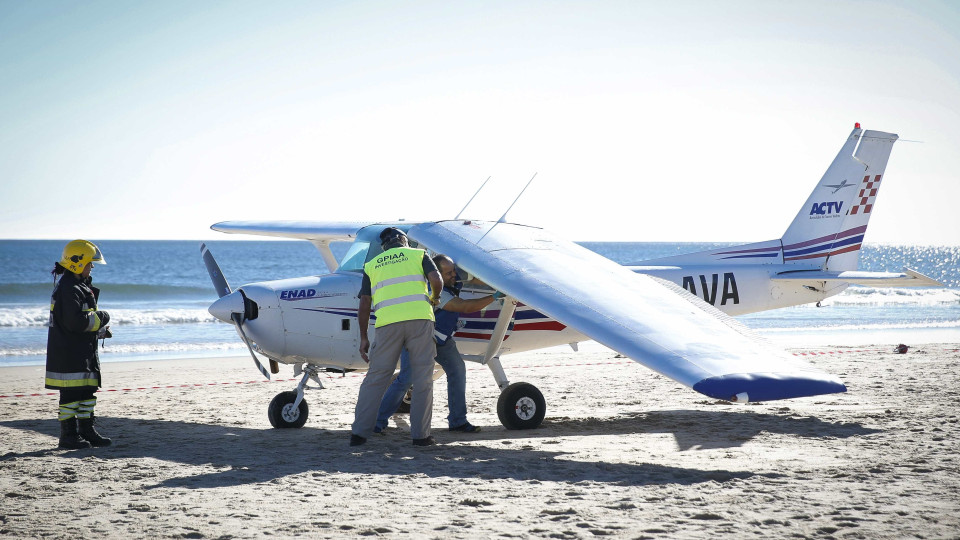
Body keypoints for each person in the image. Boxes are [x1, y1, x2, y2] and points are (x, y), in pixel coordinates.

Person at [374, 254, 502, 434]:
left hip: (441, 338)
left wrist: (501, 281)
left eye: (454, 271)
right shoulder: (433, 290)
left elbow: (475, 280)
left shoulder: (452, 278)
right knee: (406, 379)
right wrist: (495, 296)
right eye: (448, 273)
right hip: (418, 338)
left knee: (457, 370)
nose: (454, 275)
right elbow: (465, 307)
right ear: (437, 275)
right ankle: (376, 421)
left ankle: (457, 421)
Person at [350, 227, 443, 447]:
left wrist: (363, 336)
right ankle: (421, 437)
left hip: (386, 325)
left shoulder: (371, 265)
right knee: (422, 379)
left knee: (375, 378)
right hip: (420, 320)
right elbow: (436, 279)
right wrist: (434, 298)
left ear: (384, 246)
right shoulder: (419, 254)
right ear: (404, 240)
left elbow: (364, 304)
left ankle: (359, 434)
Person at [45, 240, 113, 449]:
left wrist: (98, 331)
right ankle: (68, 436)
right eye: (89, 263)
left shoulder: (77, 286)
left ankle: (86, 430)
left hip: (81, 352)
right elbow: (76, 321)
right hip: (70, 354)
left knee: (86, 394)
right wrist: (103, 317)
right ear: (77, 263)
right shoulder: (69, 288)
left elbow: (79, 321)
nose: (92, 267)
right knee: (71, 396)